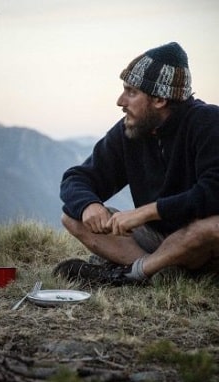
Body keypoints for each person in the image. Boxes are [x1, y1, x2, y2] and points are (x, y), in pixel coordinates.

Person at [53, 42, 219, 286]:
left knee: (213, 227)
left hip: (202, 243)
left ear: (160, 99)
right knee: (72, 216)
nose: (120, 101)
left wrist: (146, 212)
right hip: (158, 240)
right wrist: (89, 205)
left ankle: (131, 273)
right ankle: (153, 274)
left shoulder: (207, 122)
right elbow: (77, 178)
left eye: (131, 92)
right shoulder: (129, 132)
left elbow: (213, 192)